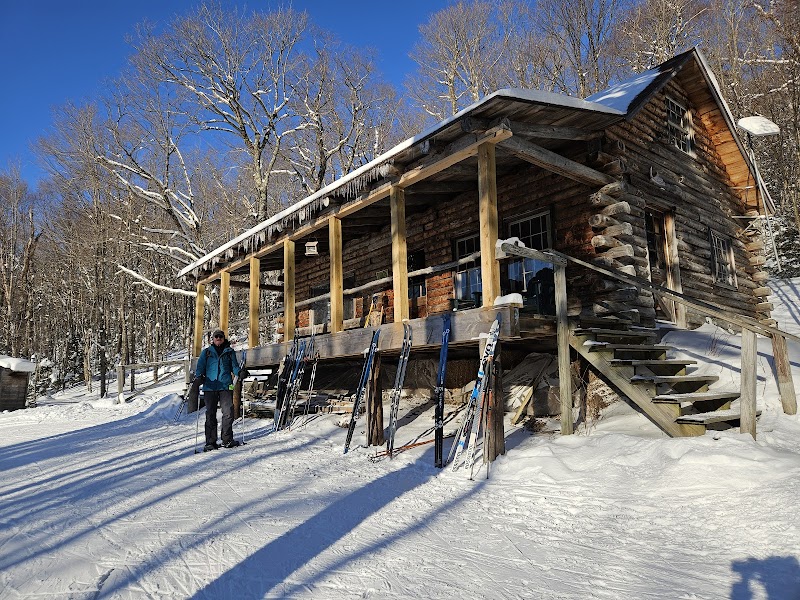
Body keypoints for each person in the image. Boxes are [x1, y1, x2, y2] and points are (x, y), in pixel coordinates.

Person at [195, 329, 241, 451]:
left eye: (220, 336)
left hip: (225, 386)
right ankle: (210, 442)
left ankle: (227, 439)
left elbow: (234, 366)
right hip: (210, 386)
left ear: (223, 338)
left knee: (228, 413)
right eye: (216, 336)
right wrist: (199, 376)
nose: (218, 338)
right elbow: (200, 367)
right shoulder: (206, 352)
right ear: (213, 339)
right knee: (210, 414)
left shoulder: (229, 352)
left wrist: (240, 372)